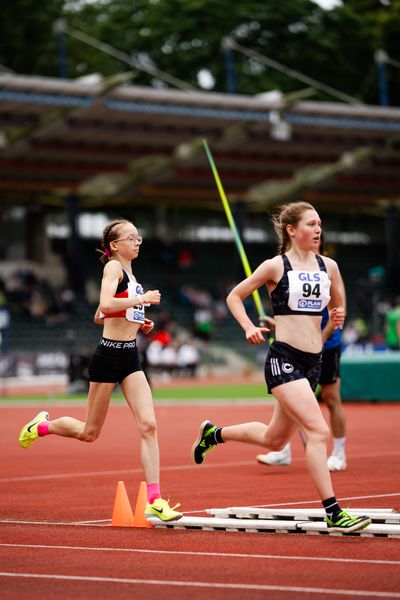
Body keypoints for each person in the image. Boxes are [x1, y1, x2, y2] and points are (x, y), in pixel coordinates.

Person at [191, 202, 371, 534]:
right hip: (284, 359)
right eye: (311, 224)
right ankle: (333, 511)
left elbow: (337, 305)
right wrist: (248, 326)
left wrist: (337, 317)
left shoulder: (328, 266)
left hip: (313, 362)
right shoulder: (276, 266)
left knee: (274, 440)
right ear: (291, 230)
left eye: (320, 224)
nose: (318, 230)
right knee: (318, 432)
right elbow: (234, 296)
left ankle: (213, 434)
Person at [19, 219, 182, 523]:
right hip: (108, 356)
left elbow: (101, 315)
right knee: (89, 432)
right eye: (131, 238)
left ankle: (154, 500)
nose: (137, 242)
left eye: (139, 237)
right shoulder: (113, 268)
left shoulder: (131, 274)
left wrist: (138, 320)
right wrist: (142, 300)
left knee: (148, 425)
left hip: (130, 357)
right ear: (115, 246)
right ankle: (43, 426)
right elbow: (104, 305)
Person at [257, 236, 347, 471]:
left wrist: (320, 338)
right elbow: (297, 315)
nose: (314, 236)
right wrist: (278, 325)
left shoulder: (327, 267)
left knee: (331, 398)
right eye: (310, 226)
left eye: (317, 230)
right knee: (296, 404)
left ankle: (338, 453)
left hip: (325, 346)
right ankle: (287, 450)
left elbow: (337, 311)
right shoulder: (286, 267)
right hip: (295, 350)